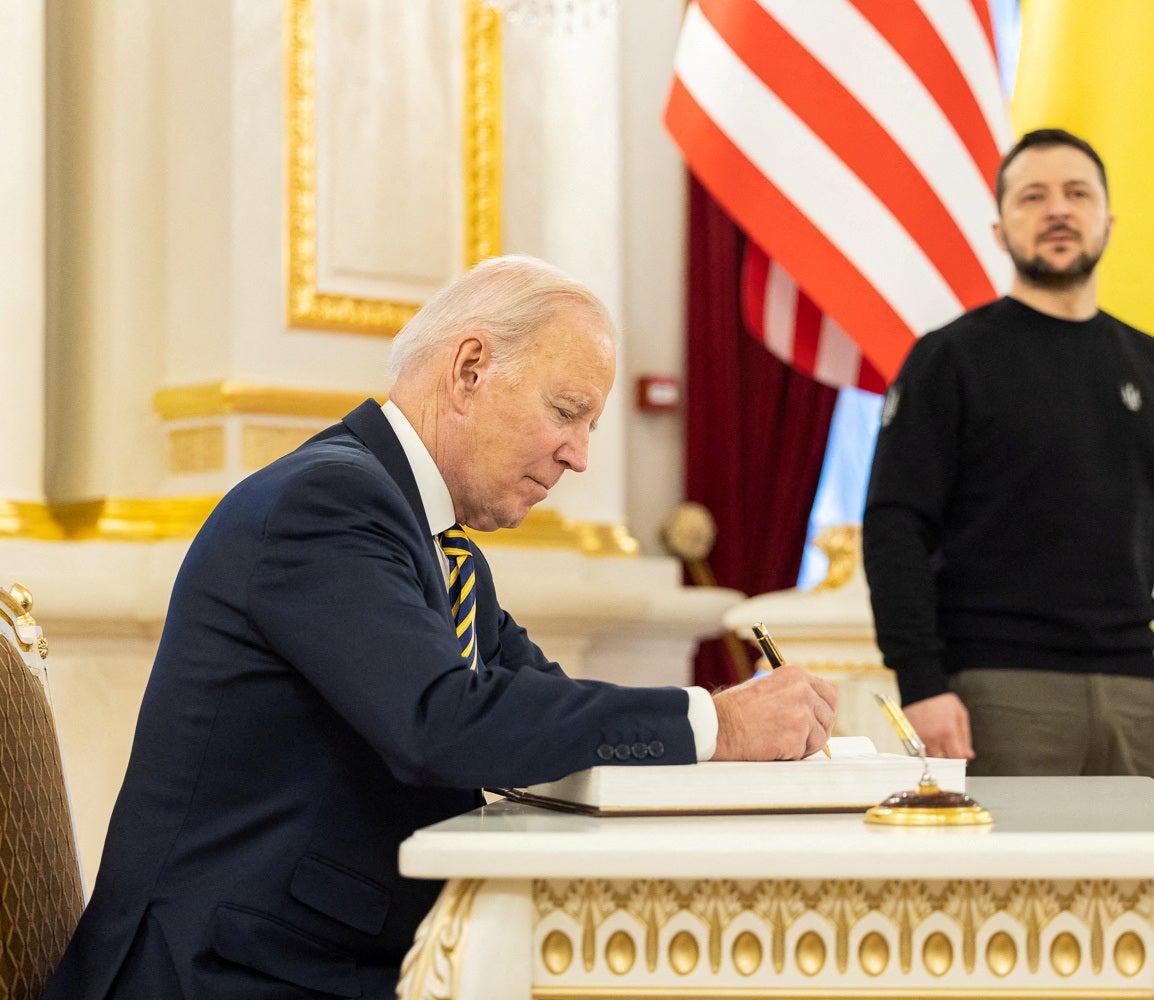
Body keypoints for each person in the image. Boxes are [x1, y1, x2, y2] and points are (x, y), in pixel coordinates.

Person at [45, 254, 837, 1000]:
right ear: (469, 371)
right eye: (568, 412)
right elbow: (443, 722)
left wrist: (722, 748)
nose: (581, 456)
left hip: (324, 952)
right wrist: (716, 721)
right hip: (228, 969)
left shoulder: (436, 546)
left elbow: (536, 712)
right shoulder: (325, 506)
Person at [862, 128, 1154, 784]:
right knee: (1009, 890)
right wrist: (921, 681)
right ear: (1001, 229)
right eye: (1033, 197)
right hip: (994, 695)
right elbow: (895, 528)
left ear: (1107, 222)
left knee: (1128, 889)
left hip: (1131, 694)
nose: (1057, 210)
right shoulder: (949, 360)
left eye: (1077, 194)